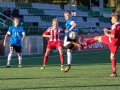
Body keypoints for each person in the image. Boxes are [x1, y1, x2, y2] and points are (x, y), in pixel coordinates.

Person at [74, 12, 120, 77]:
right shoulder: (118, 25)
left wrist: (106, 34)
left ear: (115, 18)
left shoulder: (114, 26)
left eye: (111, 18)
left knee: (96, 38)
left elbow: (113, 35)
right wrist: (109, 30)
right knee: (112, 57)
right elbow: (116, 32)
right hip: (117, 42)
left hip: (111, 40)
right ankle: (114, 72)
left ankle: (82, 45)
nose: (111, 19)